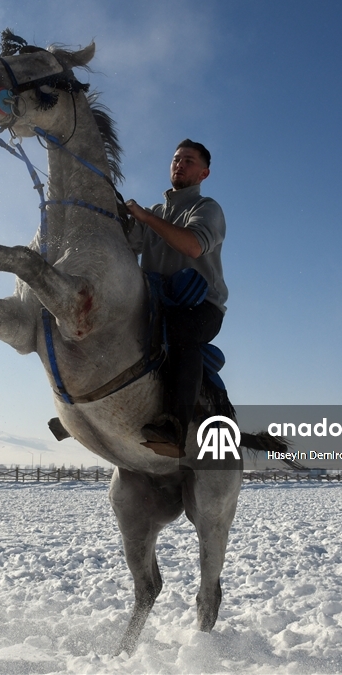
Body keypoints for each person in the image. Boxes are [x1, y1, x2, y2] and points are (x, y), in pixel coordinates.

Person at [125, 140, 228, 456]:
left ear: (204, 173)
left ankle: (174, 428)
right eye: (176, 159)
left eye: (189, 160)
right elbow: (123, 244)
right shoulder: (154, 213)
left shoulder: (206, 209)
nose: (179, 164)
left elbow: (193, 246)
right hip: (156, 305)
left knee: (181, 331)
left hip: (200, 307)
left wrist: (145, 218)